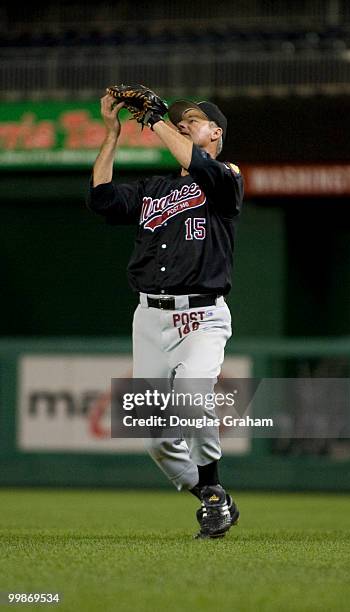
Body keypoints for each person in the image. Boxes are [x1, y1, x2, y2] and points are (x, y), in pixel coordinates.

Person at [87, 90, 243, 539]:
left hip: (202, 316)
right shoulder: (154, 189)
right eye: (179, 119)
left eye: (191, 120)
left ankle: (212, 496)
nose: (181, 123)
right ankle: (216, 497)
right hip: (150, 318)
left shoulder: (226, 178)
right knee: (155, 438)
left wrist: (156, 121)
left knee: (194, 392)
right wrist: (112, 133)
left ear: (214, 134)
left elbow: (201, 166)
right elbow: (101, 199)